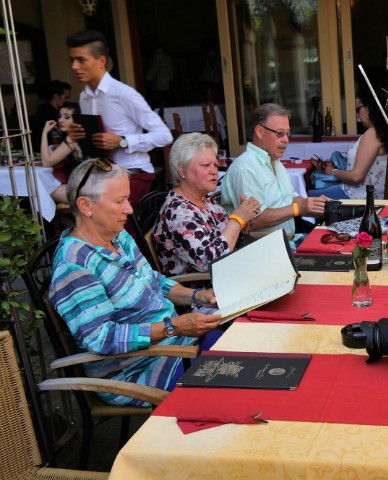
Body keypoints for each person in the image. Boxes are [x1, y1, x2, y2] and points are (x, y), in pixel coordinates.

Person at [48, 159, 222, 406]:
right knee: (235, 376)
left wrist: (196, 297)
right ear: (86, 206)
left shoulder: (117, 236)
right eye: (119, 201)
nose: (129, 209)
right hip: (138, 370)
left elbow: (151, 279)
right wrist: (174, 327)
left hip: (177, 344)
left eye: (127, 199)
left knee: (242, 342)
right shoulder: (74, 264)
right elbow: (101, 337)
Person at [65, 29, 173, 206]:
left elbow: (164, 135)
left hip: (133, 174)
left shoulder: (123, 94)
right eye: (72, 60)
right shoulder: (84, 97)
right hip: (103, 175)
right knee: (79, 204)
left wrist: (122, 141)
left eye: (81, 60)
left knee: (98, 212)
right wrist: (79, 138)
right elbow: (93, 143)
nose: (74, 67)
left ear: (101, 61)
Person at [220, 103, 329, 246]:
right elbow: (254, 220)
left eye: (288, 133)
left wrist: (314, 206)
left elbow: (290, 198)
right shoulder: (246, 168)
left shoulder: (274, 161)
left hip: (291, 239)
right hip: (266, 249)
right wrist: (299, 209)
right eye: (279, 133)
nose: (286, 140)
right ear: (259, 131)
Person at [154, 133, 261, 276]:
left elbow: (226, 239)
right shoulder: (177, 212)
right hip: (204, 286)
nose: (214, 171)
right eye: (206, 165)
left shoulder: (205, 200)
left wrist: (244, 222)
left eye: (215, 165)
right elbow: (212, 262)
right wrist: (237, 220)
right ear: (182, 170)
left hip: (232, 273)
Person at [308, 89, 388, 199]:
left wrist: (333, 172)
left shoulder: (372, 134)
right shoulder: (379, 132)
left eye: (358, 109)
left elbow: (356, 176)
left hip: (358, 196)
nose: (357, 114)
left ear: (369, 108)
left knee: (306, 197)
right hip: (360, 194)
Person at [40, 101, 83, 203]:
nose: (60, 120)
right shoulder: (75, 135)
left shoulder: (73, 138)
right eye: (59, 116)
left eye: (67, 117)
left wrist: (45, 132)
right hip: (84, 186)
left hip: (84, 190)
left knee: (43, 189)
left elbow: (46, 162)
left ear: (76, 119)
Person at [32, 80, 71, 151]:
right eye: (66, 97)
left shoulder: (58, 111)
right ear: (56, 96)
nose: (68, 100)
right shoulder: (44, 111)